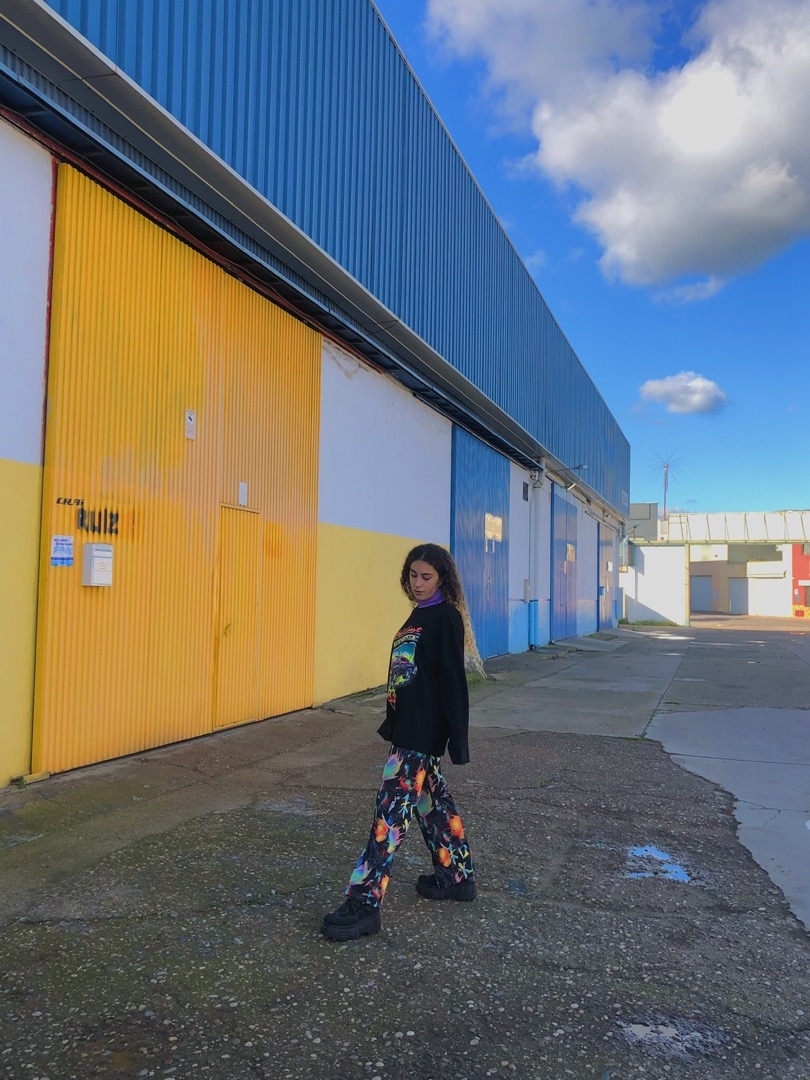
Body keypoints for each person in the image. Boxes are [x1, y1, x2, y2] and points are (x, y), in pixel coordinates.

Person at [321, 543, 483, 942]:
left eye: (426, 577)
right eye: (413, 575)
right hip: (409, 728)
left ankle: (364, 902)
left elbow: (452, 681)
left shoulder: (445, 617)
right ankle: (456, 874)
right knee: (432, 804)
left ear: (442, 578)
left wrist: (456, 739)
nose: (418, 583)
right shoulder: (419, 613)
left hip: (421, 734)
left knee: (389, 816)